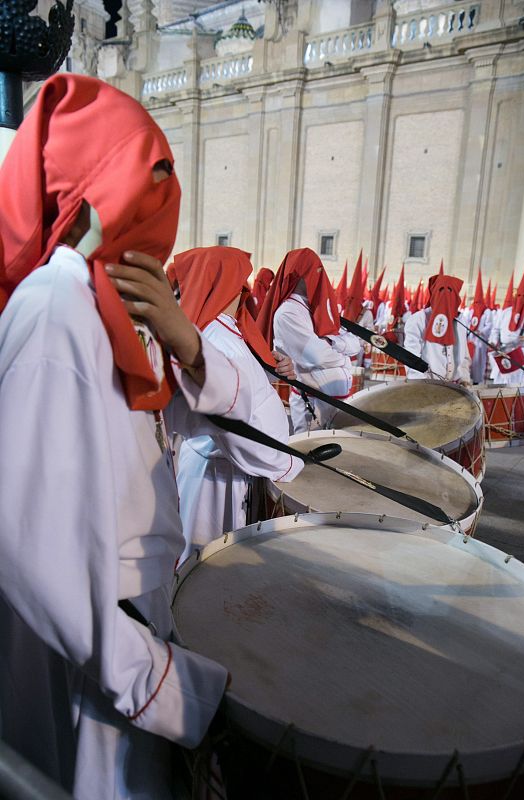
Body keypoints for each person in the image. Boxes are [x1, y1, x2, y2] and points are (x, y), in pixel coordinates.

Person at [0, 74, 255, 800]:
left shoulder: (96, 307)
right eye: (151, 181)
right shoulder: (57, 309)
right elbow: (30, 549)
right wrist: (158, 682)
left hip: (122, 628)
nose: (163, 208)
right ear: (96, 193)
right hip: (95, 653)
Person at [167, 246, 303, 562]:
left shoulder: (224, 331)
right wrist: (284, 463)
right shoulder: (218, 338)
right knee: (210, 565)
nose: (245, 288)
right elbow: (236, 424)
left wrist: (271, 373)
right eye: (241, 279)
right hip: (220, 475)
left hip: (231, 467)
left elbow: (243, 390)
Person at [258, 248, 353, 432]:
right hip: (313, 402)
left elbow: (354, 343)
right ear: (299, 277)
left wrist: (336, 345)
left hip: (334, 398)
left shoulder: (317, 307)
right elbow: (316, 356)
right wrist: (344, 358)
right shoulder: (288, 313)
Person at [404, 274, 471, 385]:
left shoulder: (460, 320)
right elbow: (411, 358)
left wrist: (464, 378)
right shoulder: (418, 320)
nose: (445, 296)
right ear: (434, 294)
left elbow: (464, 356)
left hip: (454, 388)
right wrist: (421, 386)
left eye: (450, 291)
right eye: (441, 290)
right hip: (427, 386)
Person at [489, 267, 524, 386]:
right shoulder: (506, 312)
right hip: (503, 349)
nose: (520, 300)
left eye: (523, 297)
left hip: (519, 350)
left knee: (516, 381)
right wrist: (493, 341)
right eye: (518, 297)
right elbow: (496, 329)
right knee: (500, 378)